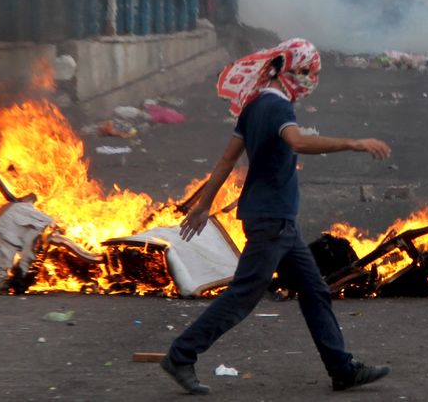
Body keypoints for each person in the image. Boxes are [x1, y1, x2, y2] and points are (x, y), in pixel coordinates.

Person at [161, 39, 392, 395]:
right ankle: (181, 355)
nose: (311, 81)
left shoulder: (254, 104)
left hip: (278, 222)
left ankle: (342, 369)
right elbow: (298, 142)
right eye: (309, 74)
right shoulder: (276, 107)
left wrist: (205, 204)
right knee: (242, 296)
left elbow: (226, 160)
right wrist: (353, 143)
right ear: (294, 73)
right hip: (272, 222)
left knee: (315, 291)